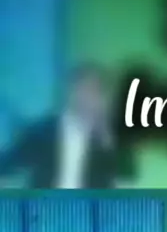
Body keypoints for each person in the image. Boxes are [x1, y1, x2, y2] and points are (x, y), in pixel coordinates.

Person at [0, 64, 135, 188]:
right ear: (71, 92)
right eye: (84, 89)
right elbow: (8, 164)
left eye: (95, 91)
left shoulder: (109, 136)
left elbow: (128, 176)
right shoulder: (43, 131)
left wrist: (110, 140)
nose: (88, 98)